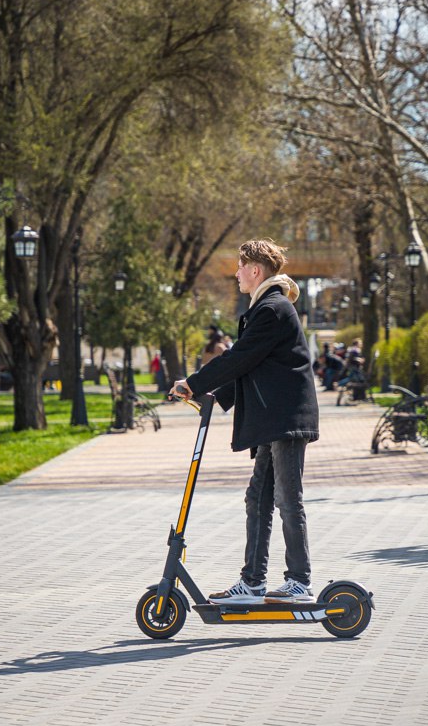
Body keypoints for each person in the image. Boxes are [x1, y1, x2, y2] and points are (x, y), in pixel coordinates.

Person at [173, 239, 319, 604]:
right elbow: (253, 366)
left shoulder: (273, 309)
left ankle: (299, 582)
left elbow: (239, 358)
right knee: (258, 499)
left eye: (240, 267)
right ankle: (252, 582)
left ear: (255, 270)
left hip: (285, 420)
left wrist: (193, 383)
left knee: (288, 499)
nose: (236, 274)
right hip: (274, 420)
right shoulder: (267, 308)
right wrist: (215, 396)